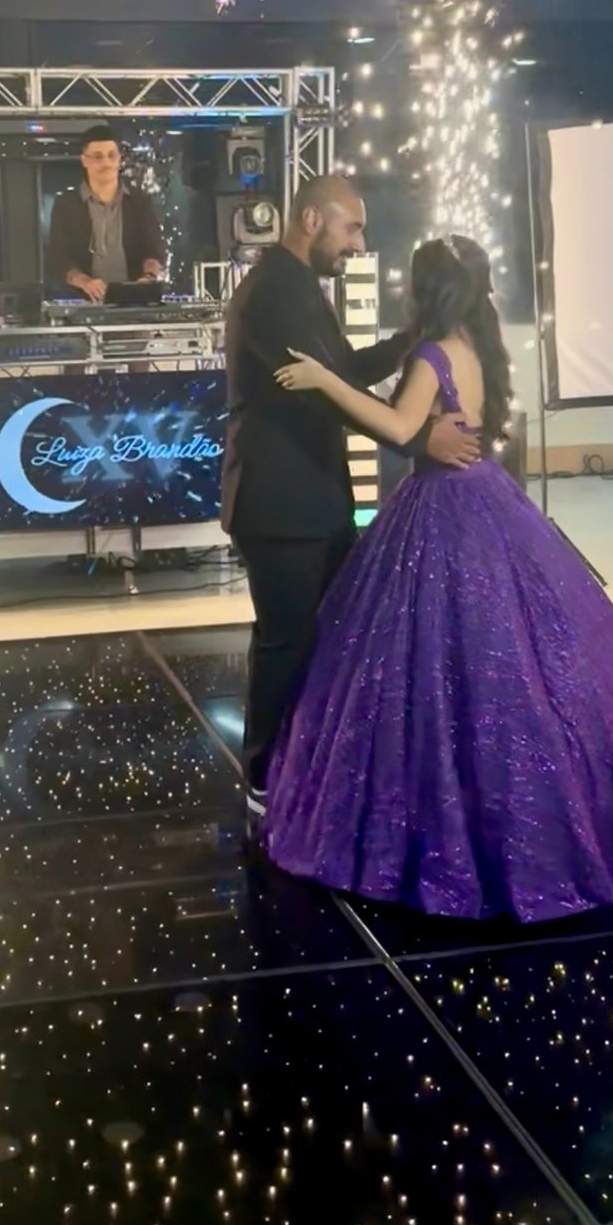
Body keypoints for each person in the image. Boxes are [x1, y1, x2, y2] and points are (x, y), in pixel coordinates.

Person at [267, 234, 613, 923]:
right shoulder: (478, 346)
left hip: (441, 508)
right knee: (507, 656)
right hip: (487, 497)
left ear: (427, 288)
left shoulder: (431, 353)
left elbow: (398, 425)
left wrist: (327, 381)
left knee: (432, 661)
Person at [221, 175, 478, 834]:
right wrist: (418, 437)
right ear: (313, 218)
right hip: (281, 506)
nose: (358, 244)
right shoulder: (274, 291)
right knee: (286, 644)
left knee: (325, 640)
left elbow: (338, 375)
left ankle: (305, 770)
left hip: (314, 500)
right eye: (352, 228)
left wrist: (411, 341)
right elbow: (320, 394)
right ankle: (262, 781)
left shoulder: (300, 285)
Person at [47, 125, 166, 301]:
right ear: (84, 160)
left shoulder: (140, 202)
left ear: (119, 159)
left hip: (135, 303)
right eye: (98, 157)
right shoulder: (66, 205)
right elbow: (59, 258)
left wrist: (148, 278)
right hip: (83, 304)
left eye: (111, 155)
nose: (106, 163)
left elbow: (154, 250)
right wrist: (85, 282)